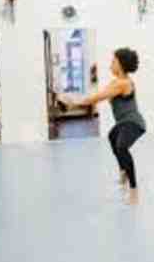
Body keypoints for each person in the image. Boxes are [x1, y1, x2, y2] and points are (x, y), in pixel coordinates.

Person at [58, 47, 147, 205]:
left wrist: (73, 103)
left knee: (121, 147)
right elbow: (95, 96)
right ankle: (123, 171)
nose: (110, 64)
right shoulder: (115, 83)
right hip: (122, 123)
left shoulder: (123, 83)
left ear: (121, 64)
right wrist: (74, 101)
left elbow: (97, 98)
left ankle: (134, 191)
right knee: (112, 136)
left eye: (113, 61)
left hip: (134, 123)